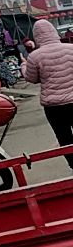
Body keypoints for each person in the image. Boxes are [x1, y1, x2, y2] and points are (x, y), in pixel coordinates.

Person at [22, 19, 73, 170]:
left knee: (64, 137)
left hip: (54, 107)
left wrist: (23, 65)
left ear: (36, 36)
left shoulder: (35, 56)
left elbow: (32, 79)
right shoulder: (71, 48)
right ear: (54, 32)